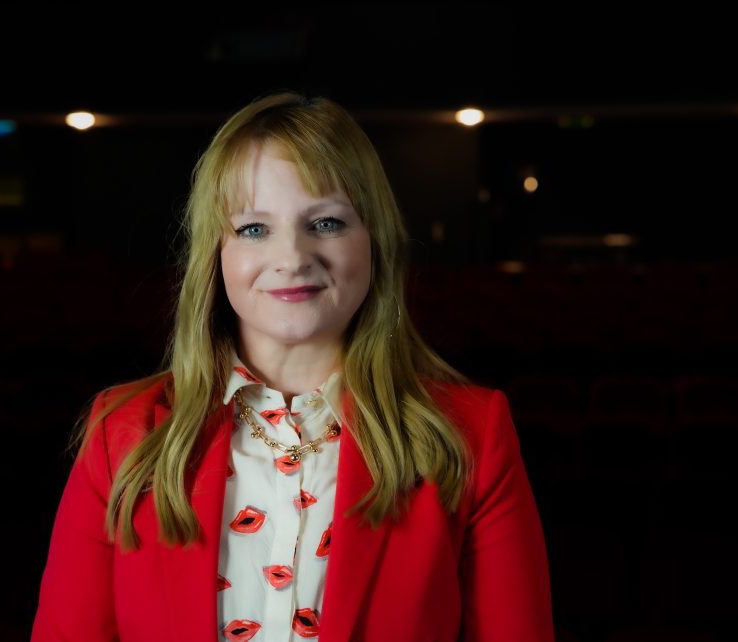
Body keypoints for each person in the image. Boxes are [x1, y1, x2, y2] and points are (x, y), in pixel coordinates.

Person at [31, 90, 554, 642]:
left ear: (373, 241)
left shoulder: (472, 434)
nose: (293, 258)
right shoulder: (121, 434)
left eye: (326, 223)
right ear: (215, 253)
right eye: (254, 229)